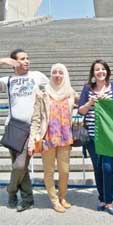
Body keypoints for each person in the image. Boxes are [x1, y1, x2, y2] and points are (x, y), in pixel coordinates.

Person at [0, 49, 48, 212]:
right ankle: (27, 199)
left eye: (28, 58)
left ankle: (11, 191)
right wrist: (3, 61)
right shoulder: (8, 80)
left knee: (20, 165)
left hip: (31, 128)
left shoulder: (37, 76)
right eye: (22, 59)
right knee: (19, 166)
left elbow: (52, 89)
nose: (27, 61)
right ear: (14, 62)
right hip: (13, 127)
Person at [27, 63, 77, 213]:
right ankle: (54, 201)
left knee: (64, 170)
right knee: (49, 171)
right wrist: (32, 142)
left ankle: (63, 197)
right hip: (47, 138)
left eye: (60, 72)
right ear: (50, 74)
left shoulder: (70, 93)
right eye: (54, 72)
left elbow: (84, 103)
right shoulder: (42, 93)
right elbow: (36, 119)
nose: (57, 75)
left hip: (65, 138)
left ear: (65, 74)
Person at [78, 59, 113, 215]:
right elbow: (81, 111)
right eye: (97, 69)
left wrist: (109, 103)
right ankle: (102, 198)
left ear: (107, 71)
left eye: (103, 69)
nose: (100, 72)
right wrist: (90, 102)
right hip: (92, 136)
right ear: (93, 73)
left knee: (108, 168)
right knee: (98, 168)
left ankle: (110, 202)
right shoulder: (87, 89)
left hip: (110, 136)